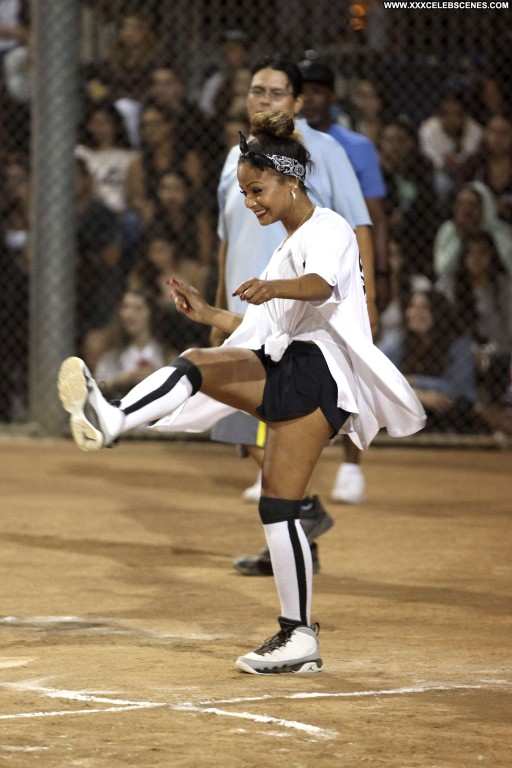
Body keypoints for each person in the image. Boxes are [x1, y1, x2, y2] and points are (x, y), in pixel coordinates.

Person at [57, 110, 425, 675]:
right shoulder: (288, 245)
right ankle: (299, 638)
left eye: (257, 190)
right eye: (244, 192)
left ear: (290, 180)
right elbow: (262, 332)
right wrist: (210, 313)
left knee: (197, 364)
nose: (251, 202)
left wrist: (274, 286)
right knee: (279, 508)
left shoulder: (327, 228)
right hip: (306, 375)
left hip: (318, 371)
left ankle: (113, 419)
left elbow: (320, 286)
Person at [212, 55, 375, 574]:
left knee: (273, 431)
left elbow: (358, 226)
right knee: (247, 437)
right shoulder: (237, 157)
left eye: (276, 92)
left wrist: (365, 302)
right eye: (256, 90)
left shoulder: (321, 151)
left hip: (291, 318)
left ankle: (296, 522)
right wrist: (216, 309)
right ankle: (298, 525)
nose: (264, 100)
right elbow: (226, 238)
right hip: (243, 312)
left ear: (298, 101)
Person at [298, 57, 390, 504]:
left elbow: (374, 217)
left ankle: (352, 466)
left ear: (333, 96)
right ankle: (288, 466)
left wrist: (380, 275)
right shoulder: (286, 142)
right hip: (298, 267)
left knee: (353, 363)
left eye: (319, 89)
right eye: (304, 90)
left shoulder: (356, 147)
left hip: (346, 268)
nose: (310, 98)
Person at [380, 288, 486, 434]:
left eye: (425, 308)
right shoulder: (397, 341)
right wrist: (420, 396)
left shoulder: (458, 344)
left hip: (443, 406)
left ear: (439, 313)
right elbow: (381, 380)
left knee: (460, 407)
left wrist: (415, 380)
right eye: (412, 307)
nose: (416, 313)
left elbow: (460, 388)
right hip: (409, 401)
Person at [437, 232, 512, 404]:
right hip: (462, 354)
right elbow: (444, 329)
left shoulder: (506, 287)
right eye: (470, 253)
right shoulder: (449, 287)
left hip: (503, 352)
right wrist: (472, 351)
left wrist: (491, 351)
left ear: (492, 255)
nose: (477, 259)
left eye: (482, 253)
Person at [94, 287, 176, 401]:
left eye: (138, 308)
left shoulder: (166, 356)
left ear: (151, 313)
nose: (129, 314)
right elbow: (95, 388)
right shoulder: (112, 356)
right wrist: (117, 381)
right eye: (125, 307)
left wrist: (157, 376)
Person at [418, 89, 484, 210]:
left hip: (468, 174)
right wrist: (443, 162)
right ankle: (440, 210)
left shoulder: (475, 130)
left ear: (464, 115)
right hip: (439, 173)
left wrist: (458, 161)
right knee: (441, 182)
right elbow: (428, 156)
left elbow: (472, 158)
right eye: (446, 114)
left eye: (456, 114)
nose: (451, 119)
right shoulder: (428, 129)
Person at [433, 181, 512, 280]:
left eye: (472, 204)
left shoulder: (501, 232)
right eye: (460, 204)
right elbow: (442, 270)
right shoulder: (449, 230)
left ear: (484, 207)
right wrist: (461, 236)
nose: (466, 210)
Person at [456, 114, 512, 225]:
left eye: (504, 132)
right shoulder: (473, 163)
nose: (498, 137)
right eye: (493, 131)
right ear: (485, 133)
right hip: (478, 223)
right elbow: (461, 192)